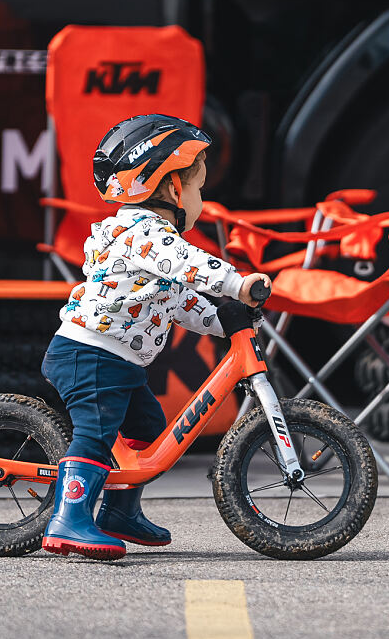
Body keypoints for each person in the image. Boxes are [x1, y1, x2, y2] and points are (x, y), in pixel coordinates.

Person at [40, 114, 269, 560]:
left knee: (146, 428)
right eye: (200, 189)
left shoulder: (150, 245)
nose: (202, 200)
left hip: (118, 361)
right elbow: (189, 263)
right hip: (91, 354)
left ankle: (118, 513)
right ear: (172, 189)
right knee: (95, 433)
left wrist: (224, 320)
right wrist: (237, 284)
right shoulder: (143, 234)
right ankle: (69, 519)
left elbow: (179, 301)